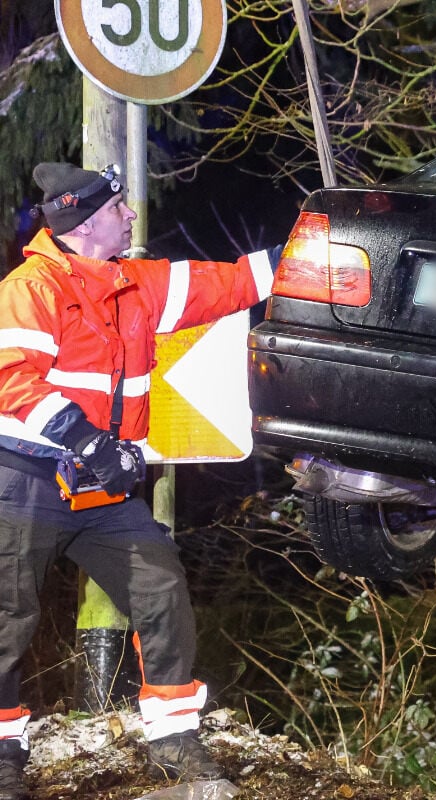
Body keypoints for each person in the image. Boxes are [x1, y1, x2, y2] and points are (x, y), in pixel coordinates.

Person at [0, 163, 277, 799]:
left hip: (99, 489)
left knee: (159, 584)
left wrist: (313, 248)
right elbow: (13, 376)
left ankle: (174, 737)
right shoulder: (33, 287)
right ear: (86, 221)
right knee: (9, 618)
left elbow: (233, 283)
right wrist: (90, 440)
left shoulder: (138, 283)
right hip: (23, 481)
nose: (130, 216)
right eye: (119, 208)